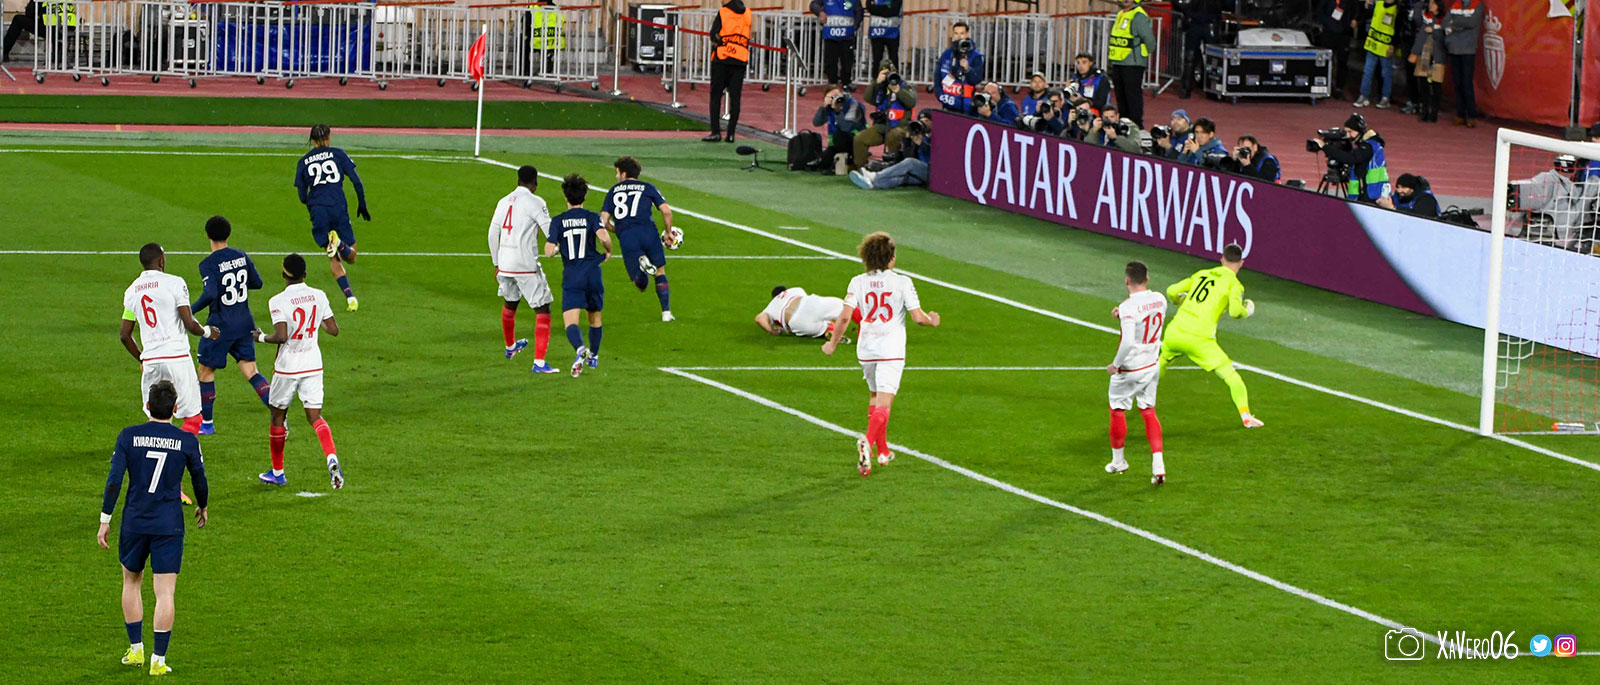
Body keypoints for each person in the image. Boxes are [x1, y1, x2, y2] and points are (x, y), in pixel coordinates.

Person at [99, 380, 208, 677]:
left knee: (131, 582)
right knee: (165, 593)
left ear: (147, 406)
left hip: (134, 522)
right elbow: (199, 477)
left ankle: (136, 649)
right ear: (175, 409)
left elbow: (114, 480)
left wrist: (105, 519)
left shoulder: (129, 436)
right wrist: (202, 504)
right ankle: (158, 661)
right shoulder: (186, 441)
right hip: (168, 525)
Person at [820, 232, 941, 476]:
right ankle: (867, 441)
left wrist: (832, 344)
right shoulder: (902, 282)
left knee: (875, 396)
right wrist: (932, 320)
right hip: (890, 350)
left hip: (866, 349)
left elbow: (844, 317)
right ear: (891, 258)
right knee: (885, 403)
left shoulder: (857, 282)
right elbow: (918, 317)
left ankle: (883, 451)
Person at [255, 253, 345, 490]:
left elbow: (281, 335)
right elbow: (333, 329)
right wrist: (314, 322)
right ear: (305, 274)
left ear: (283, 274)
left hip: (288, 367)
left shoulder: (278, 301)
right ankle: (331, 458)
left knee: (278, 416)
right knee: (315, 417)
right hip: (313, 363)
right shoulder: (319, 295)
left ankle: (278, 472)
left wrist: (261, 337)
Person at [1159, 243, 1264, 429]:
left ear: (1221, 259)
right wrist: (1247, 311)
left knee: (1161, 363)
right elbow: (1234, 312)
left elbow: (1171, 291)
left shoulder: (1202, 274)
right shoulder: (1234, 285)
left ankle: (1138, 396)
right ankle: (1246, 416)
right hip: (1200, 340)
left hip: (1175, 331)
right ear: (1241, 263)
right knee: (1230, 375)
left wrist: (1180, 301)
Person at [121, 243, 220, 438]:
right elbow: (189, 323)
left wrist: (142, 359)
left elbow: (125, 335)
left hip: (151, 361)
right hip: (177, 358)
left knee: (156, 418)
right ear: (161, 261)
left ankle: (153, 452)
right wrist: (208, 332)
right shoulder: (175, 283)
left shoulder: (131, 291)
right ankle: (179, 452)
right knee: (193, 418)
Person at [190, 216, 269, 435]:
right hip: (244, 323)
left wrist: (190, 310)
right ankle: (279, 414)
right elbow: (257, 282)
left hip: (220, 326)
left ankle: (207, 424)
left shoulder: (208, 264)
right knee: (251, 371)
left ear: (208, 235)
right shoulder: (241, 256)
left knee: (205, 371)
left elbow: (211, 293)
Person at [489, 164, 559, 374]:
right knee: (543, 308)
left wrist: (496, 263)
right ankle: (539, 363)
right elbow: (550, 232)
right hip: (525, 265)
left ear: (518, 180)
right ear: (535, 183)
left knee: (510, 302)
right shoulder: (536, 202)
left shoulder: (503, 201)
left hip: (505, 264)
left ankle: (510, 346)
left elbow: (492, 234)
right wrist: (558, 248)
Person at [1105, 261, 1168, 483]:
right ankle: (1158, 466)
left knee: (1117, 410)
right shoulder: (1160, 299)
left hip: (1130, 368)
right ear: (1147, 279)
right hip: (1152, 365)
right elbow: (1145, 312)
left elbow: (1128, 342)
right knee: (1149, 411)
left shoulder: (1128, 307)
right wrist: (1122, 314)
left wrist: (1115, 365)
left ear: (1126, 281)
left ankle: (1118, 461)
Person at [545, 174, 613, 377]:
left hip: (573, 276)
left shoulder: (558, 221)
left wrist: (559, 247)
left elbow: (548, 252)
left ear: (566, 197)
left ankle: (581, 348)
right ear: (584, 197)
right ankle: (594, 357)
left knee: (571, 322)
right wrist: (608, 251)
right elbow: (604, 237)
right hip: (593, 273)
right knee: (595, 318)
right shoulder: (592, 217)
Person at [294, 124, 367, 311]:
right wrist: (362, 204)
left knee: (333, 257)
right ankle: (340, 243)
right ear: (328, 137)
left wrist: (313, 203)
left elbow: (302, 196)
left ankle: (350, 298)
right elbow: (356, 181)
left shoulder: (303, 162)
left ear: (312, 139)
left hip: (318, 210)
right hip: (337, 205)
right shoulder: (338, 154)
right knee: (352, 256)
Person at [602, 156, 679, 322]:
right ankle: (666, 313)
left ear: (624, 173)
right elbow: (666, 211)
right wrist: (668, 232)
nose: (616, 176)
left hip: (627, 236)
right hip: (648, 232)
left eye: (617, 172)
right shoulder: (648, 187)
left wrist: (618, 230)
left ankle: (643, 271)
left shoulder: (613, 191)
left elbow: (604, 220)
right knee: (660, 271)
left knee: (640, 285)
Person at [853, 59, 916, 168]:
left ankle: (893, 168)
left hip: (901, 127)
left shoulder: (905, 86)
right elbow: (868, 98)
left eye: (890, 73)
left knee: (893, 135)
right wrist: (876, 82)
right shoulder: (879, 87)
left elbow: (912, 102)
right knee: (859, 138)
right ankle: (861, 169)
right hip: (881, 127)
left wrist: (897, 91)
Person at [1312, 113, 1389, 202]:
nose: (1348, 136)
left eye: (1350, 132)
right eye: (1346, 132)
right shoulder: (1369, 144)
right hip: (1372, 190)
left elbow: (1350, 158)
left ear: (1359, 130)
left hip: (1371, 193)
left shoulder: (1368, 146)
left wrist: (1325, 147)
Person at [850, 111, 932, 190]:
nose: (923, 123)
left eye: (927, 121)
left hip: (931, 172)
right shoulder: (919, 135)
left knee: (910, 162)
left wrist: (922, 144)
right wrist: (908, 140)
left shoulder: (936, 136)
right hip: (919, 174)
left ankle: (874, 176)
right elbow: (907, 155)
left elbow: (934, 154)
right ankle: (872, 184)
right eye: (921, 120)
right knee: (902, 178)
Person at [705, 0, 751, 142]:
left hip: (722, 59)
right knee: (735, 98)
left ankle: (715, 132)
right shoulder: (748, 13)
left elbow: (714, 34)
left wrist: (719, 42)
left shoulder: (723, 12)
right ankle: (731, 134)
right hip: (740, 60)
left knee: (716, 96)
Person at [1107, 0, 1156, 127]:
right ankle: (1124, 123)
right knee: (1121, 96)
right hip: (1118, 61)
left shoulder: (1139, 16)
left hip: (1133, 63)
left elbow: (1150, 41)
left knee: (1132, 96)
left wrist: (1142, 53)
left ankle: (1136, 125)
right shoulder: (1121, 14)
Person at [1442, 0, 1484, 127]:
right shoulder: (1455, 5)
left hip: (1468, 50)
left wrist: (1454, 24)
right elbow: (1445, 22)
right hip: (1454, 49)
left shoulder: (1477, 5)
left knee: (1466, 82)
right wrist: (1461, 24)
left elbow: (1471, 22)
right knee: (1457, 83)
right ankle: (1460, 114)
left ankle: (1471, 115)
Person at [1354, 0, 1400, 109]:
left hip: (1385, 46)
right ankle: (1364, 95)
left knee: (1386, 73)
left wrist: (1393, 45)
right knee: (1367, 71)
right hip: (1373, 43)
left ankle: (1385, 98)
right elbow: (1367, 14)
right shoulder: (1378, 3)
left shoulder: (1396, 10)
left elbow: (1398, 29)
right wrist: (1366, 6)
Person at [756, 285, 850, 338]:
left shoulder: (771, 306)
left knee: (822, 326)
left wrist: (773, 331)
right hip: (806, 304)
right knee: (846, 307)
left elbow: (759, 319)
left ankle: (828, 331)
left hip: (797, 323)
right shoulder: (795, 290)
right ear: (785, 290)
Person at [1407, 0, 1446, 123]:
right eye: (1430, 3)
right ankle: (1424, 111)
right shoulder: (1424, 17)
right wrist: (1420, 4)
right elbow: (1416, 19)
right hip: (1424, 55)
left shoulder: (1444, 19)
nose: (1430, 6)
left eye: (1433, 4)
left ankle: (1434, 113)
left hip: (1437, 56)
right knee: (1423, 84)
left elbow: (1445, 37)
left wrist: (1434, 30)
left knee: (1436, 85)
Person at [814, 87, 868, 173]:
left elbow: (846, 127)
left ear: (842, 94)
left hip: (856, 141)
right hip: (838, 143)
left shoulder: (853, 105)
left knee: (839, 135)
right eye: (831, 97)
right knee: (824, 163)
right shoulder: (830, 107)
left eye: (836, 95)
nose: (835, 98)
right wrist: (823, 107)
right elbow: (816, 123)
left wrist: (837, 111)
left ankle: (852, 161)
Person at [1174, 0, 1221, 99]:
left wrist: (1187, 11)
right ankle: (1190, 88)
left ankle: (1195, 88)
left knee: (1210, 58)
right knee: (1193, 57)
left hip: (1202, 22)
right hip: (1201, 22)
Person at [811, 0, 862, 88]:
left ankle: (846, 83)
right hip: (830, 36)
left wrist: (854, 27)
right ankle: (832, 83)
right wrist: (820, 12)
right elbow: (813, 5)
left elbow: (859, 12)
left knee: (847, 62)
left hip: (847, 37)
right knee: (830, 62)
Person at [935, 21, 984, 113]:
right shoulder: (947, 53)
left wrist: (967, 69)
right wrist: (939, 93)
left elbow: (977, 79)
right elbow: (937, 74)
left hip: (966, 106)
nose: (959, 37)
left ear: (967, 34)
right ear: (953, 34)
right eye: (956, 33)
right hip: (947, 102)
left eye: (962, 33)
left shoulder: (976, 56)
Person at [1316, 0, 1356, 99]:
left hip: (1344, 34)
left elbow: (1355, 9)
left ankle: (1339, 88)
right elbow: (1319, 10)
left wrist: (1354, 20)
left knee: (1342, 62)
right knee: (1326, 61)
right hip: (1329, 33)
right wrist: (1328, 22)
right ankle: (1325, 86)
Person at [865, 0, 902, 71]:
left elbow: (894, 10)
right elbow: (870, 8)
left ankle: (893, 77)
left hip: (892, 33)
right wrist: (886, 8)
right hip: (877, 33)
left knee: (893, 59)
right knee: (876, 59)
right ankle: (876, 77)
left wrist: (877, 9)